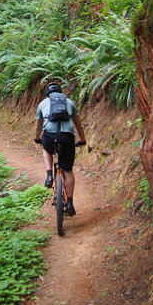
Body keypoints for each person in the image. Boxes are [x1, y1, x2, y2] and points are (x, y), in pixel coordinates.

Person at [34, 82, 86, 216]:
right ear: (60, 92)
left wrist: (37, 138)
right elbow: (77, 123)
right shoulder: (69, 102)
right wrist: (82, 139)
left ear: (47, 94)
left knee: (46, 149)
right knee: (68, 170)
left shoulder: (42, 104)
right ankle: (69, 203)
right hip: (67, 137)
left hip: (49, 136)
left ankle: (49, 175)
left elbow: (39, 125)